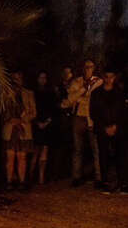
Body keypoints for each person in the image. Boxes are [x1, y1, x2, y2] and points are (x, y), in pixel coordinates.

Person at [62, 59, 103, 187]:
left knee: (96, 148)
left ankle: (99, 178)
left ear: (94, 68)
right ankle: (76, 176)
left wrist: (79, 96)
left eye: (90, 66)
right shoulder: (77, 81)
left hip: (91, 117)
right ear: (83, 68)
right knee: (77, 148)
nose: (88, 69)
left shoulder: (98, 81)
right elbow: (70, 99)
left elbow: (93, 97)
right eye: (86, 66)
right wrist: (82, 92)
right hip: (78, 117)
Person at [90, 68, 127, 194]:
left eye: (112, 76)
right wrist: (104, 127)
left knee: (121, 155)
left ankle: (122, 183)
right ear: (103, 77)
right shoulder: (96, 93)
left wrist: (116, 126)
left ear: (114, 77)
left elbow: (123, 112)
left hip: (118, 129)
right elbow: (93, 113)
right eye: (107, 76)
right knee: (103, 156)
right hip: (102, 129)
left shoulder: (120, 93)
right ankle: (106, 183)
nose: (109, 79)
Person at [2, 70, 36, 191]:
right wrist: (11, 119)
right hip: (10, 129)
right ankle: (9, 182)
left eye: (19, 78)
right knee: (10, 156)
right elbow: (2, 111)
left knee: (22, 157)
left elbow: (33, 112)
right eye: (14, 78)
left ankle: (21, 182)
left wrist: (21, 120)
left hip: (24, 129)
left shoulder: (28, 94)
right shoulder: (5, 94)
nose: (17, 81)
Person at [31, 71, 56, 184]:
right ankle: (31, 175)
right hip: (35, 124)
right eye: (40, 77)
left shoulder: (50, 93)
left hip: (47, 124)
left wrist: (47, 122)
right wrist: (36, 122)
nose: (43, 80)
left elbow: (53, 109)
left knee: (44, 150)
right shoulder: (33, 93)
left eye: (44, 78)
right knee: (35, 150)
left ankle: (41, 176)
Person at [54, 66, 74, 179]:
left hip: (70, 121)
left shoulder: (74, 86)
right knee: (59, 148)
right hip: (60, 121)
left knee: (70, 147)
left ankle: (68, 172)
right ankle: (57, 172)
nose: (67, 75)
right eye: (65, 72)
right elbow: (56, 102)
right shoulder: (58, 87)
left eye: (69, 72)